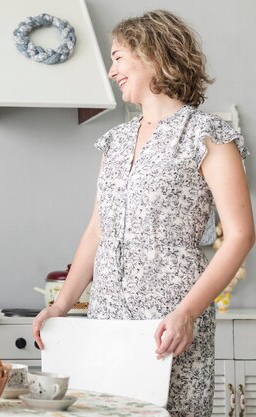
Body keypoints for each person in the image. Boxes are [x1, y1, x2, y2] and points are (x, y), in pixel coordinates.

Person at [32, 10, 254, 416]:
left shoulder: (207, 135)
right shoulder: (114, 142)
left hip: (170, 321)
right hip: (107, 318)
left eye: (118, 57)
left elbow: (240, 234)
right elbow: (97, 231)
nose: (112, 70)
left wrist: (186, 313)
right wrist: (62, 305)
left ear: (152, 54)